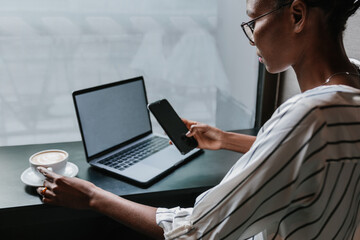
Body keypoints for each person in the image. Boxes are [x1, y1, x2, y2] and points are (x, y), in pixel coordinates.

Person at [36, 0, 360, 239]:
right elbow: (316, 155)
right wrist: (226, 139)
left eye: (253, 21)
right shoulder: (350, 86)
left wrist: (93, 196)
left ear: (297, 16)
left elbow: (197, 232)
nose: (252, 37)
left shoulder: (310, 114)